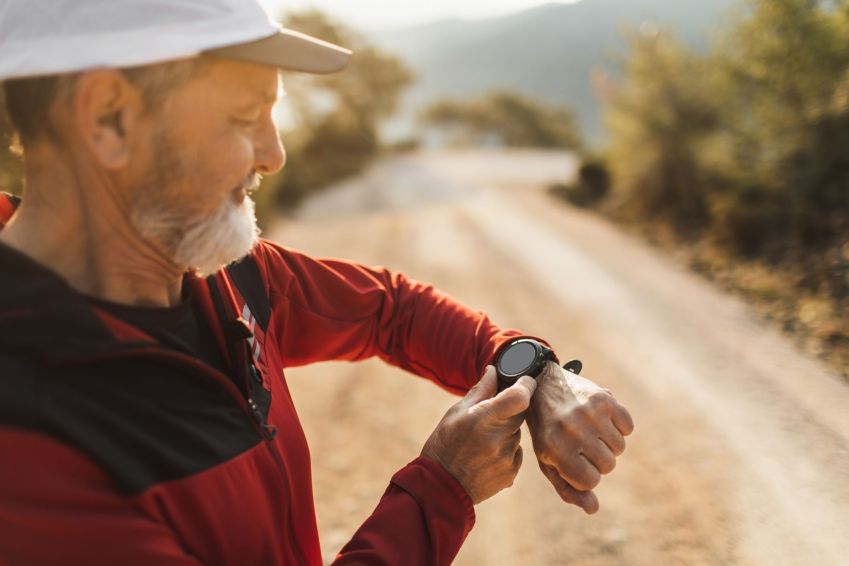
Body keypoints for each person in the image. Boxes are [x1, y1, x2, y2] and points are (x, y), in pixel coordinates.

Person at [0, 1, 634, 565]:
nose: (274, 154)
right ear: (109, 118)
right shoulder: (26, 446)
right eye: (245, 116)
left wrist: (536, 371)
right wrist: (445, 485)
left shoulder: (216, 270)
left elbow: (393, 310)